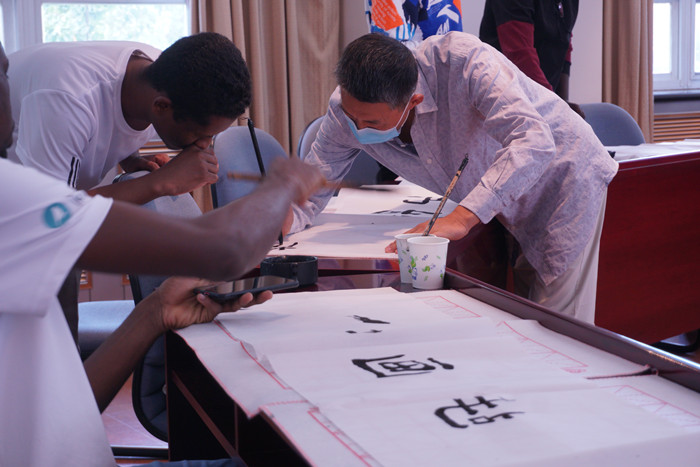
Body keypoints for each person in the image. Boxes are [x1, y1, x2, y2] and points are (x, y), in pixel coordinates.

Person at [0, 41, 326, 466]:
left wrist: (156, 311)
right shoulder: (19, 185)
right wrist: (281, 184)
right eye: (3, 72)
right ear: (161, 107)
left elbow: (66, 408)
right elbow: (223, 251)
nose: (12, 81)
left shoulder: (157, 75)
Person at [290, 32, 618, 323]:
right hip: (505, 198)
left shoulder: (466, 63)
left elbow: (534, 141)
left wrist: (462, 217)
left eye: (372, 124)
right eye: (352, 118)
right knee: (523, 321)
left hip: (562, 182)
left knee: (556, 328)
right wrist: (282, 218)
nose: (357, 129)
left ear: (412, 102)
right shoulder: (345, 110)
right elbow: (312, 186)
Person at [6, 32, 252, 342]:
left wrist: (131, 158)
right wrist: (160, 183)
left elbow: (111, 121)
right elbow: (50, 219)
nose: (205, 145)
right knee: (48, 328)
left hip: (38, 199)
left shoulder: (160, 77)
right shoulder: (67, 100)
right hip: (16, 222)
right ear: (161, 107)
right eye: (199, 134)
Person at [479, 0, 583, 115]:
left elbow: (564, 44)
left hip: (542, 99)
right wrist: (555, 105)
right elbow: (521, 55)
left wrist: (563, 102)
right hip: (503, 105)